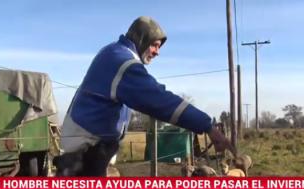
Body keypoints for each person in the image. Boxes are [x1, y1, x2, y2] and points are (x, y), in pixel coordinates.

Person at [55, 16, 236, 177]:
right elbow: (159, 99)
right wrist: (207, 126)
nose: (157, 52)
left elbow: (151, 94)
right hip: (88, 150)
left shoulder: (113, 52)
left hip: (86, 145)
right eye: (154, 45)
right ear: (141, 39)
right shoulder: (123, 64)